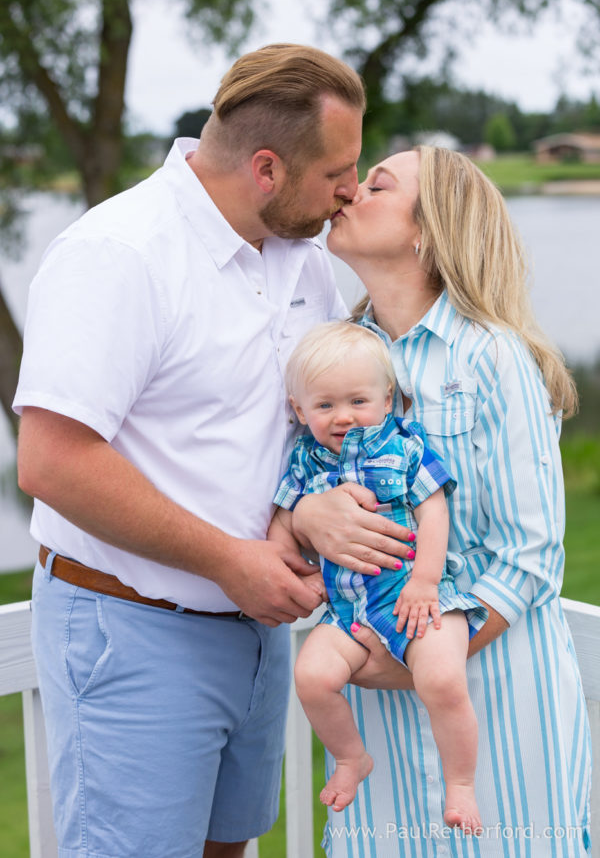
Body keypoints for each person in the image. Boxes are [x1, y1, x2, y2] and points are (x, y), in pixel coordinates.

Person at [12, 43, 416, 858]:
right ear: (266, 168)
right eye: (337, 169)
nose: (350, 187)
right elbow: (50, 463)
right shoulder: (121, 254)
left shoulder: (304, 261)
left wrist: (302, 511)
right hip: (132, 628)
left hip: (257, 631)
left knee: (229, 849)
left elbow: (304, 424)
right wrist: (229, 560)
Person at [292, 147, 592, 856]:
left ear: (428, 229)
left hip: (494, 700)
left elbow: (530, 554)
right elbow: (297, 487)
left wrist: (418, 665)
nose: (347, 192)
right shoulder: (337, 360)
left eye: (376, 185)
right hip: (376, 727)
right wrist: (306, 519)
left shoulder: (493, 357)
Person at [269, 320, 488, 830]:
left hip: (412, 597)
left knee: (442, 679)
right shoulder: (304, 460)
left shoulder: (404, 446)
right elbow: (282, 521)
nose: (342, 416)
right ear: (300, 410)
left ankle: (461, 783)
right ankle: (350, 758)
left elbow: (434, 512)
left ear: (387, 399)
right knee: (312, 676)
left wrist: (426, 582)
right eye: (324, 406)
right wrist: (299, 573)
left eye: (357, 401)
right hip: (346, 609)